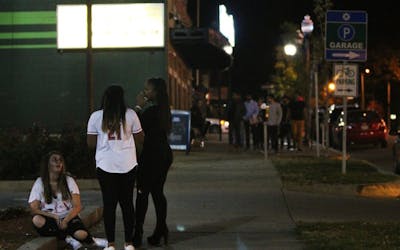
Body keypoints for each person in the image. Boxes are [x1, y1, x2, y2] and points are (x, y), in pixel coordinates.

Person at [87, 85, 144, 250]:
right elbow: (141, 138)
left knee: (109, 205)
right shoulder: (131, 114)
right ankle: (129, 243)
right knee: (127, 204)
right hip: (128, 164)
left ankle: (111, 244)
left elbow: (91, 144)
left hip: (105, 166)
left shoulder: (96, 117)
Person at [28, 150, 108, 250]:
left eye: (60, 160)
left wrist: (65, 220)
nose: (58, 162)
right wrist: (54, 216)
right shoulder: (40, 182)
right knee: (37, 220)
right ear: (47, 165)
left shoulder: (69, 180)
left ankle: (92, 241)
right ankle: (68, 238)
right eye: (54, 160)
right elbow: (33, 209)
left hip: (68, 217)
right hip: (51, 219)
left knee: (81, 234)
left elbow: (78, 207)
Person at [133, 77, 173, 248]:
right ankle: (161, 230)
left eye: (147, 89)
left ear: (155, 92)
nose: (144, 92)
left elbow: (134, 126)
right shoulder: (164, 110)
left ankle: (137, 233)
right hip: (163, 155)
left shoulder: (150, 112)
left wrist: (138, 106)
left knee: (142, 194)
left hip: (150, 156)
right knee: (158, 192)